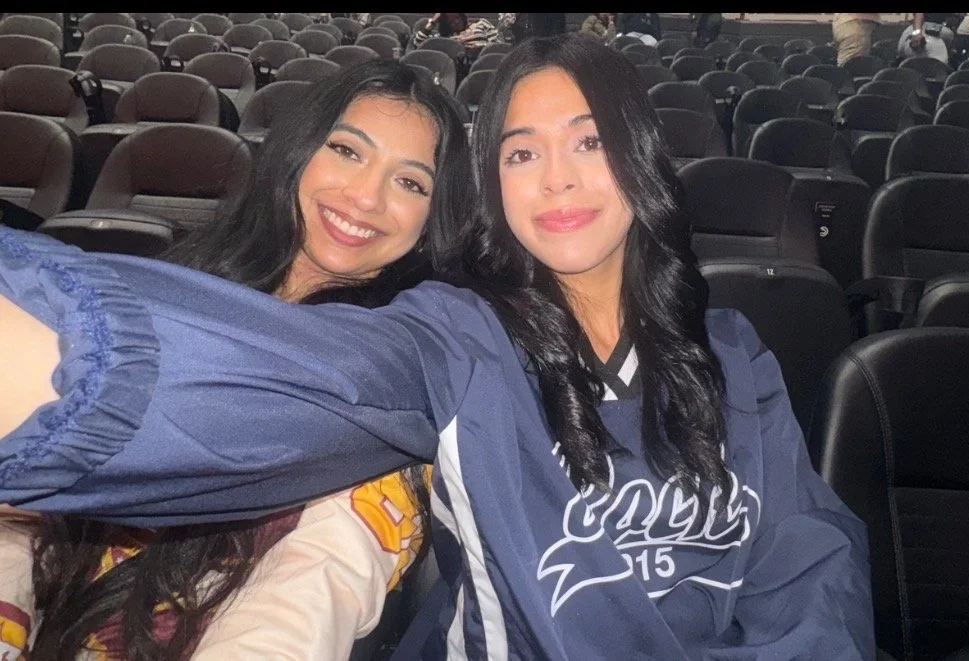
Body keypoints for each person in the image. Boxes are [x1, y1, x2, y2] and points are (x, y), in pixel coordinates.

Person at [0, 35, 875, 659]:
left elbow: (811, 566)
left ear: (641, 157)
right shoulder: (460, 337)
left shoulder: (732, 352)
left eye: (589, 142)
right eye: (521, 152)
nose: (559, 176)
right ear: (495, 188)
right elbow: (279, 382)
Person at [0, 60, 472, 660]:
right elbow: (23, 529)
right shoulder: (184, 279)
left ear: (434, 218)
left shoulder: (387, 395)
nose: (365, 196)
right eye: (347, 151)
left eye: (411, 183)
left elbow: (310, 592)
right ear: (297, 150)